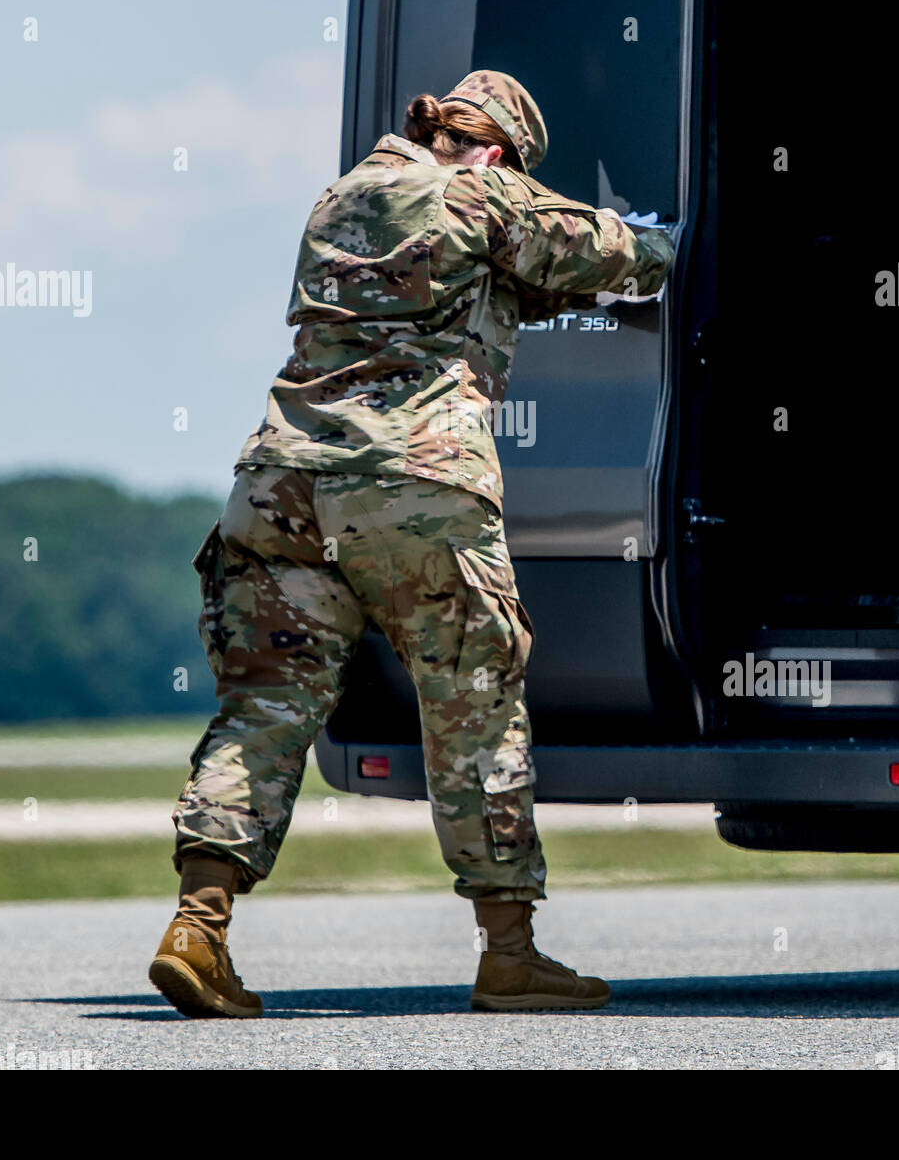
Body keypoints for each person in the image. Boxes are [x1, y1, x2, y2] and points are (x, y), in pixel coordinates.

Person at [148, 70, 675, 1018]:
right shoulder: (484, 190)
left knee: (263, 711)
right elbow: (619, 256)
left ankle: (198, 926)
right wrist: (665, 237)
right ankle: (509, 953)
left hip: (281, 491)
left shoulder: (338, 197)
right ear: (493, 148)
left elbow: (428, 296)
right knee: (473, 711)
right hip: (417, 491)